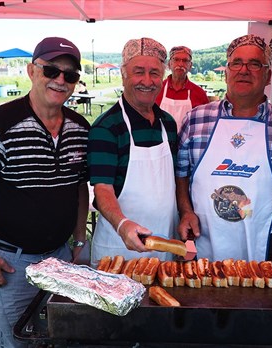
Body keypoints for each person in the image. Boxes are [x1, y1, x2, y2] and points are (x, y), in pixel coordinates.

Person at [0, 37, 90, 347]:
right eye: (51, 70)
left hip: (61, 257)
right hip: (10, 263)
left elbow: (79, 187)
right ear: (31, 71)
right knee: (12, 340)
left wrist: (79, 238)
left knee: (58, 334)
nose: (60, 80)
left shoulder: (80, 127)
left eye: (70, 75)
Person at [175, 34, 272, 262]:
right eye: (236, 63)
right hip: (201, 245)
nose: (244, 70)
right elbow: (181, 175)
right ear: (226, 73)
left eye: (254, 64)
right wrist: (185, 211)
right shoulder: (195, 120)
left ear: (268, 75)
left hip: (264, 250)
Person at [88, 37, 178, 265]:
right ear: (124, 74)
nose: (147, 81)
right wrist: (122, 224)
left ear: (163, 77)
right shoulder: (107, 127)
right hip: (119, 250)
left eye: (155, 73)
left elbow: (176, 181)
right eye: (139, 72)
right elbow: (103, 189)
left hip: (164, 246)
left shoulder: (168, 123)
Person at [155, 46, 209, 133]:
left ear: (190, 65)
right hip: (161, 143)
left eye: (185, 61)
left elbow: (205, 124)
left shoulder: (199, 93)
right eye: (176, 60)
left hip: (188, 144)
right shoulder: (157, 89)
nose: (180, 64)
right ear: (169, 64)